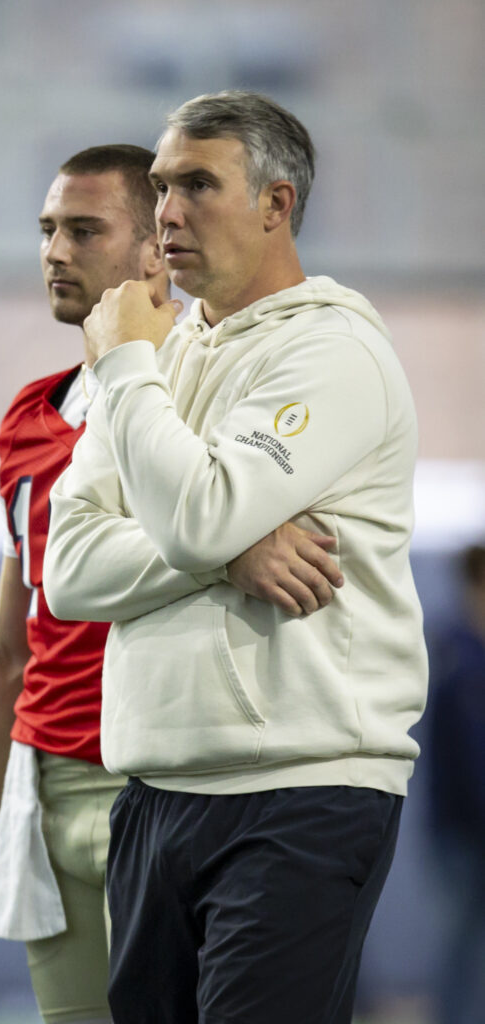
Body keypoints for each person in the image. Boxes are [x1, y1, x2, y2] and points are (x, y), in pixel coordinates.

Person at [0, 144, 345, 1024]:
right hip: (46, 789)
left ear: (158, 246)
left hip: (171, 779)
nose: (54, 252)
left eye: (84, 231)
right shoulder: (28, 419)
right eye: (46, 230)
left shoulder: (219, 392)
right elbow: (11, 646)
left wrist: (220, 544)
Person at [44, 91, 429, 1024]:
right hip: (152, 791)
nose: (167, 213)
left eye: (197, 186)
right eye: (162, 187)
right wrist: (225, 553)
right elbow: (70, 569)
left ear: (275, 204)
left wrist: (123, 370)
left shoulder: (332, 351)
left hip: (299, 791)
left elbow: (197, 517)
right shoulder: (161, 355)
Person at [427, 544, 485, 1024]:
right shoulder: (456, 653)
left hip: (464, 827)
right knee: (464, 945)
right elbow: (468, 756)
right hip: (463, 831)